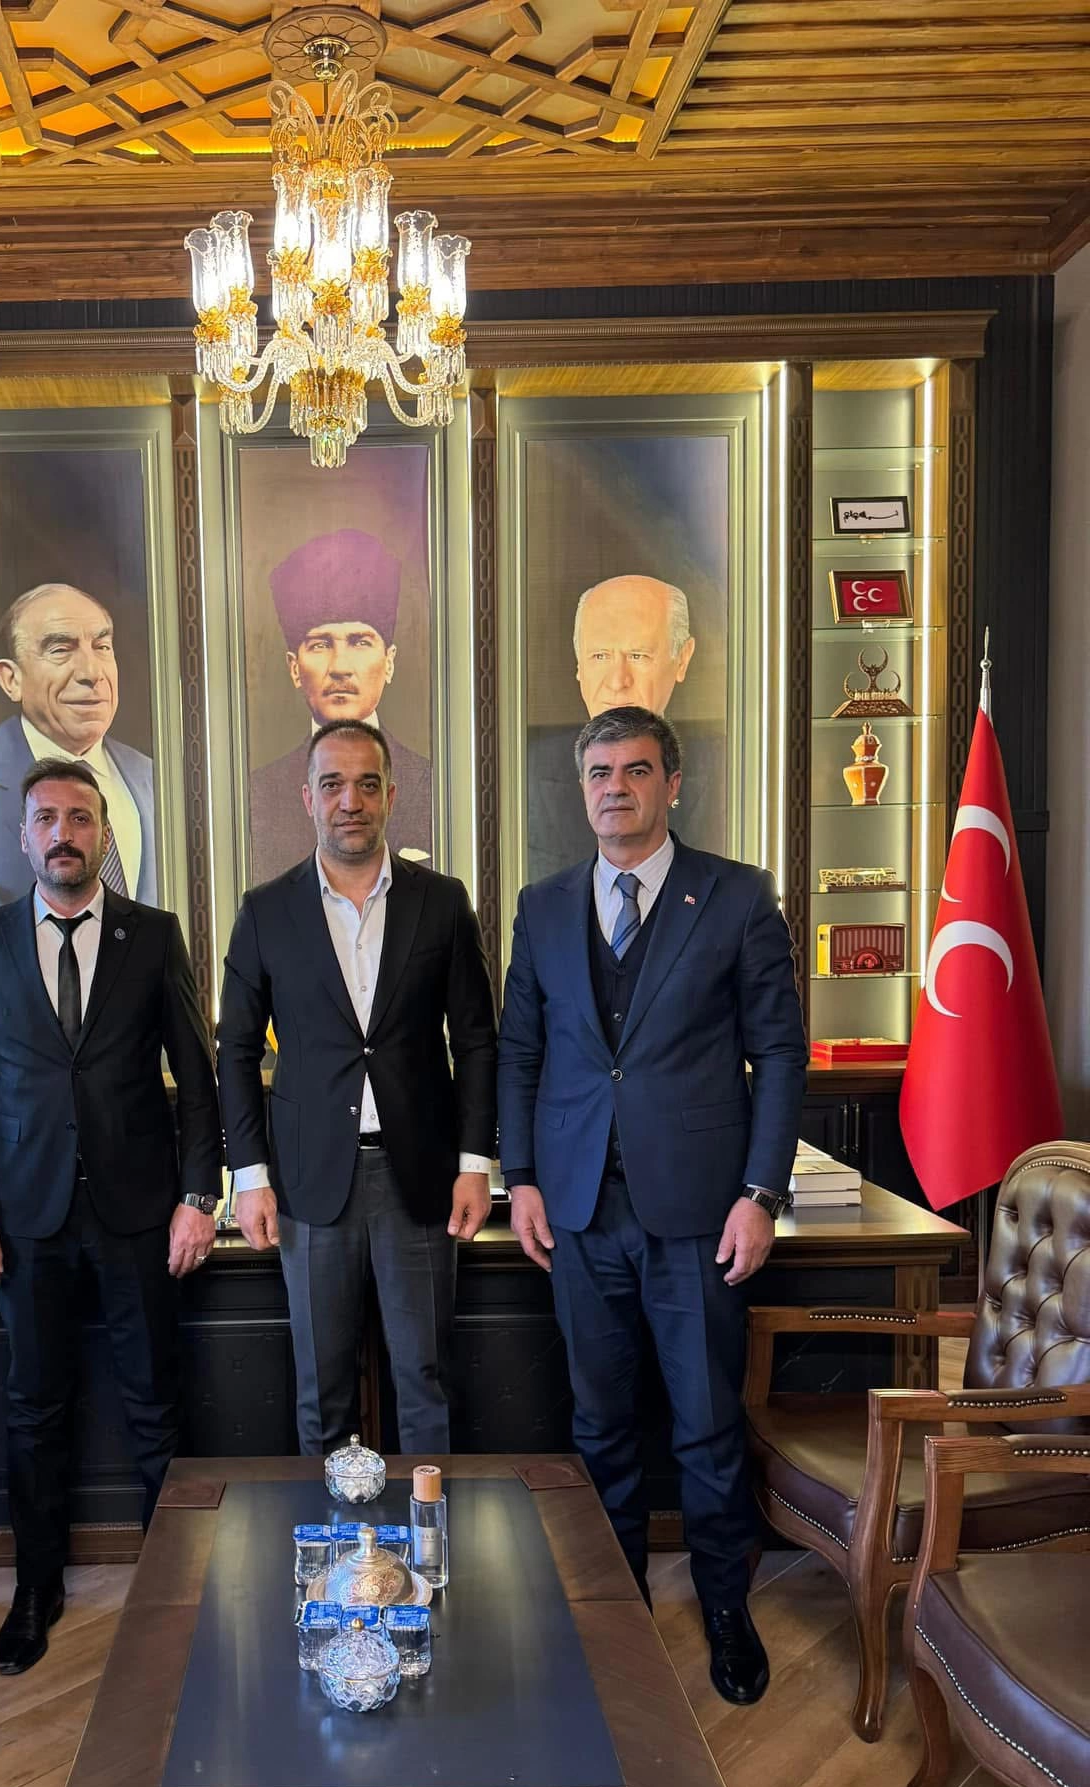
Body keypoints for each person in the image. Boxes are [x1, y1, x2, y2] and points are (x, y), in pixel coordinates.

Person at [498, 704, 805, 1707]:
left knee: (707, 1427)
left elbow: (779, 1053)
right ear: (581, 788)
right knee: (599, 1427)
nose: (615, 788)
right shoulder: (543, 906)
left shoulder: (738, 896)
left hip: (700, 1216)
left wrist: (760, 1193)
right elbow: (521, 1052)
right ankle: (614, 1610)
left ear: (672, 783)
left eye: (635, 770)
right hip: (579, 1213)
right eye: (600, 772)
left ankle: (726, 1611)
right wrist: (523, 1177)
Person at [0, 757, 220, 1676]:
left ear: (103, 834)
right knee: (33, 1408)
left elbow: (198, 1080)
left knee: (155, 1404)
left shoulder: (154, 935)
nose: (64, 833)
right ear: (24, 837)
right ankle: (36, 1589)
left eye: (81, 818)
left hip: (140, 1212)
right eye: (48, 818)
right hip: (26, 1218)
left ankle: (177, 1588)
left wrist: (198, 1196)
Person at [218, 719, 498, 1455]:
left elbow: (476, 1041)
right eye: (334, 785)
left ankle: (430, 1527)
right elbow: (236, 1051)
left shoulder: (442, 902)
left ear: (391, 797)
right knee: (322, 1391)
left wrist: (475, 1164)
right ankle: (332, 1533)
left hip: (422, 1179)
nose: (351, 801)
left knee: (425, 1382)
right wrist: (249, 1176)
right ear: (307, 797)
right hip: (308, 1182)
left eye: (367, 785)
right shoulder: (265, 910)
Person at [0, 583, 158, 919]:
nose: (92, 673)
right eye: (61, 649)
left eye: (102, 647)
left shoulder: (153, 778)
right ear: (11, 679)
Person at [248, 529, 434, 880]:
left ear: (389, 661)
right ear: (294, 667)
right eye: (320, 645)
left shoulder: (434, 786)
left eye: (360, 642)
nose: (340, 667)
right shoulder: (256, 796)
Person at [526, 574, 728, 879]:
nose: (618, 681)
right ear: (579, 664)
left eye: (638, 655)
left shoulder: (728, 769)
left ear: (682, 659)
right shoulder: (530, 772)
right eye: (600, 656)